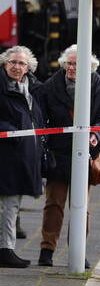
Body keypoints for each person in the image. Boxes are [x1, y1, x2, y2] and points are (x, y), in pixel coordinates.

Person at [33, 45, 100, 268]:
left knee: (81, 206)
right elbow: (40, 118)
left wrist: (96, 134)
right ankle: (47, 250)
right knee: (53, 203)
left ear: (90, 67)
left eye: (76, 64)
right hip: (58, 154)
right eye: (68, 63)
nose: (71, 67)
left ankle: (79, 251)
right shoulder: (51, 86)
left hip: (85, 154)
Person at [0, 46, 45, 268]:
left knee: (12, 203)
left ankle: (6, 248)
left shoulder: (32, 88)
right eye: (13, 62)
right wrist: (10, 130)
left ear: (29, 68)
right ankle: (5, 250)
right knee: (8, 204)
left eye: (21, 63)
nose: (16, 67)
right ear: (4, 63)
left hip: (22, 155)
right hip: (5, 153)